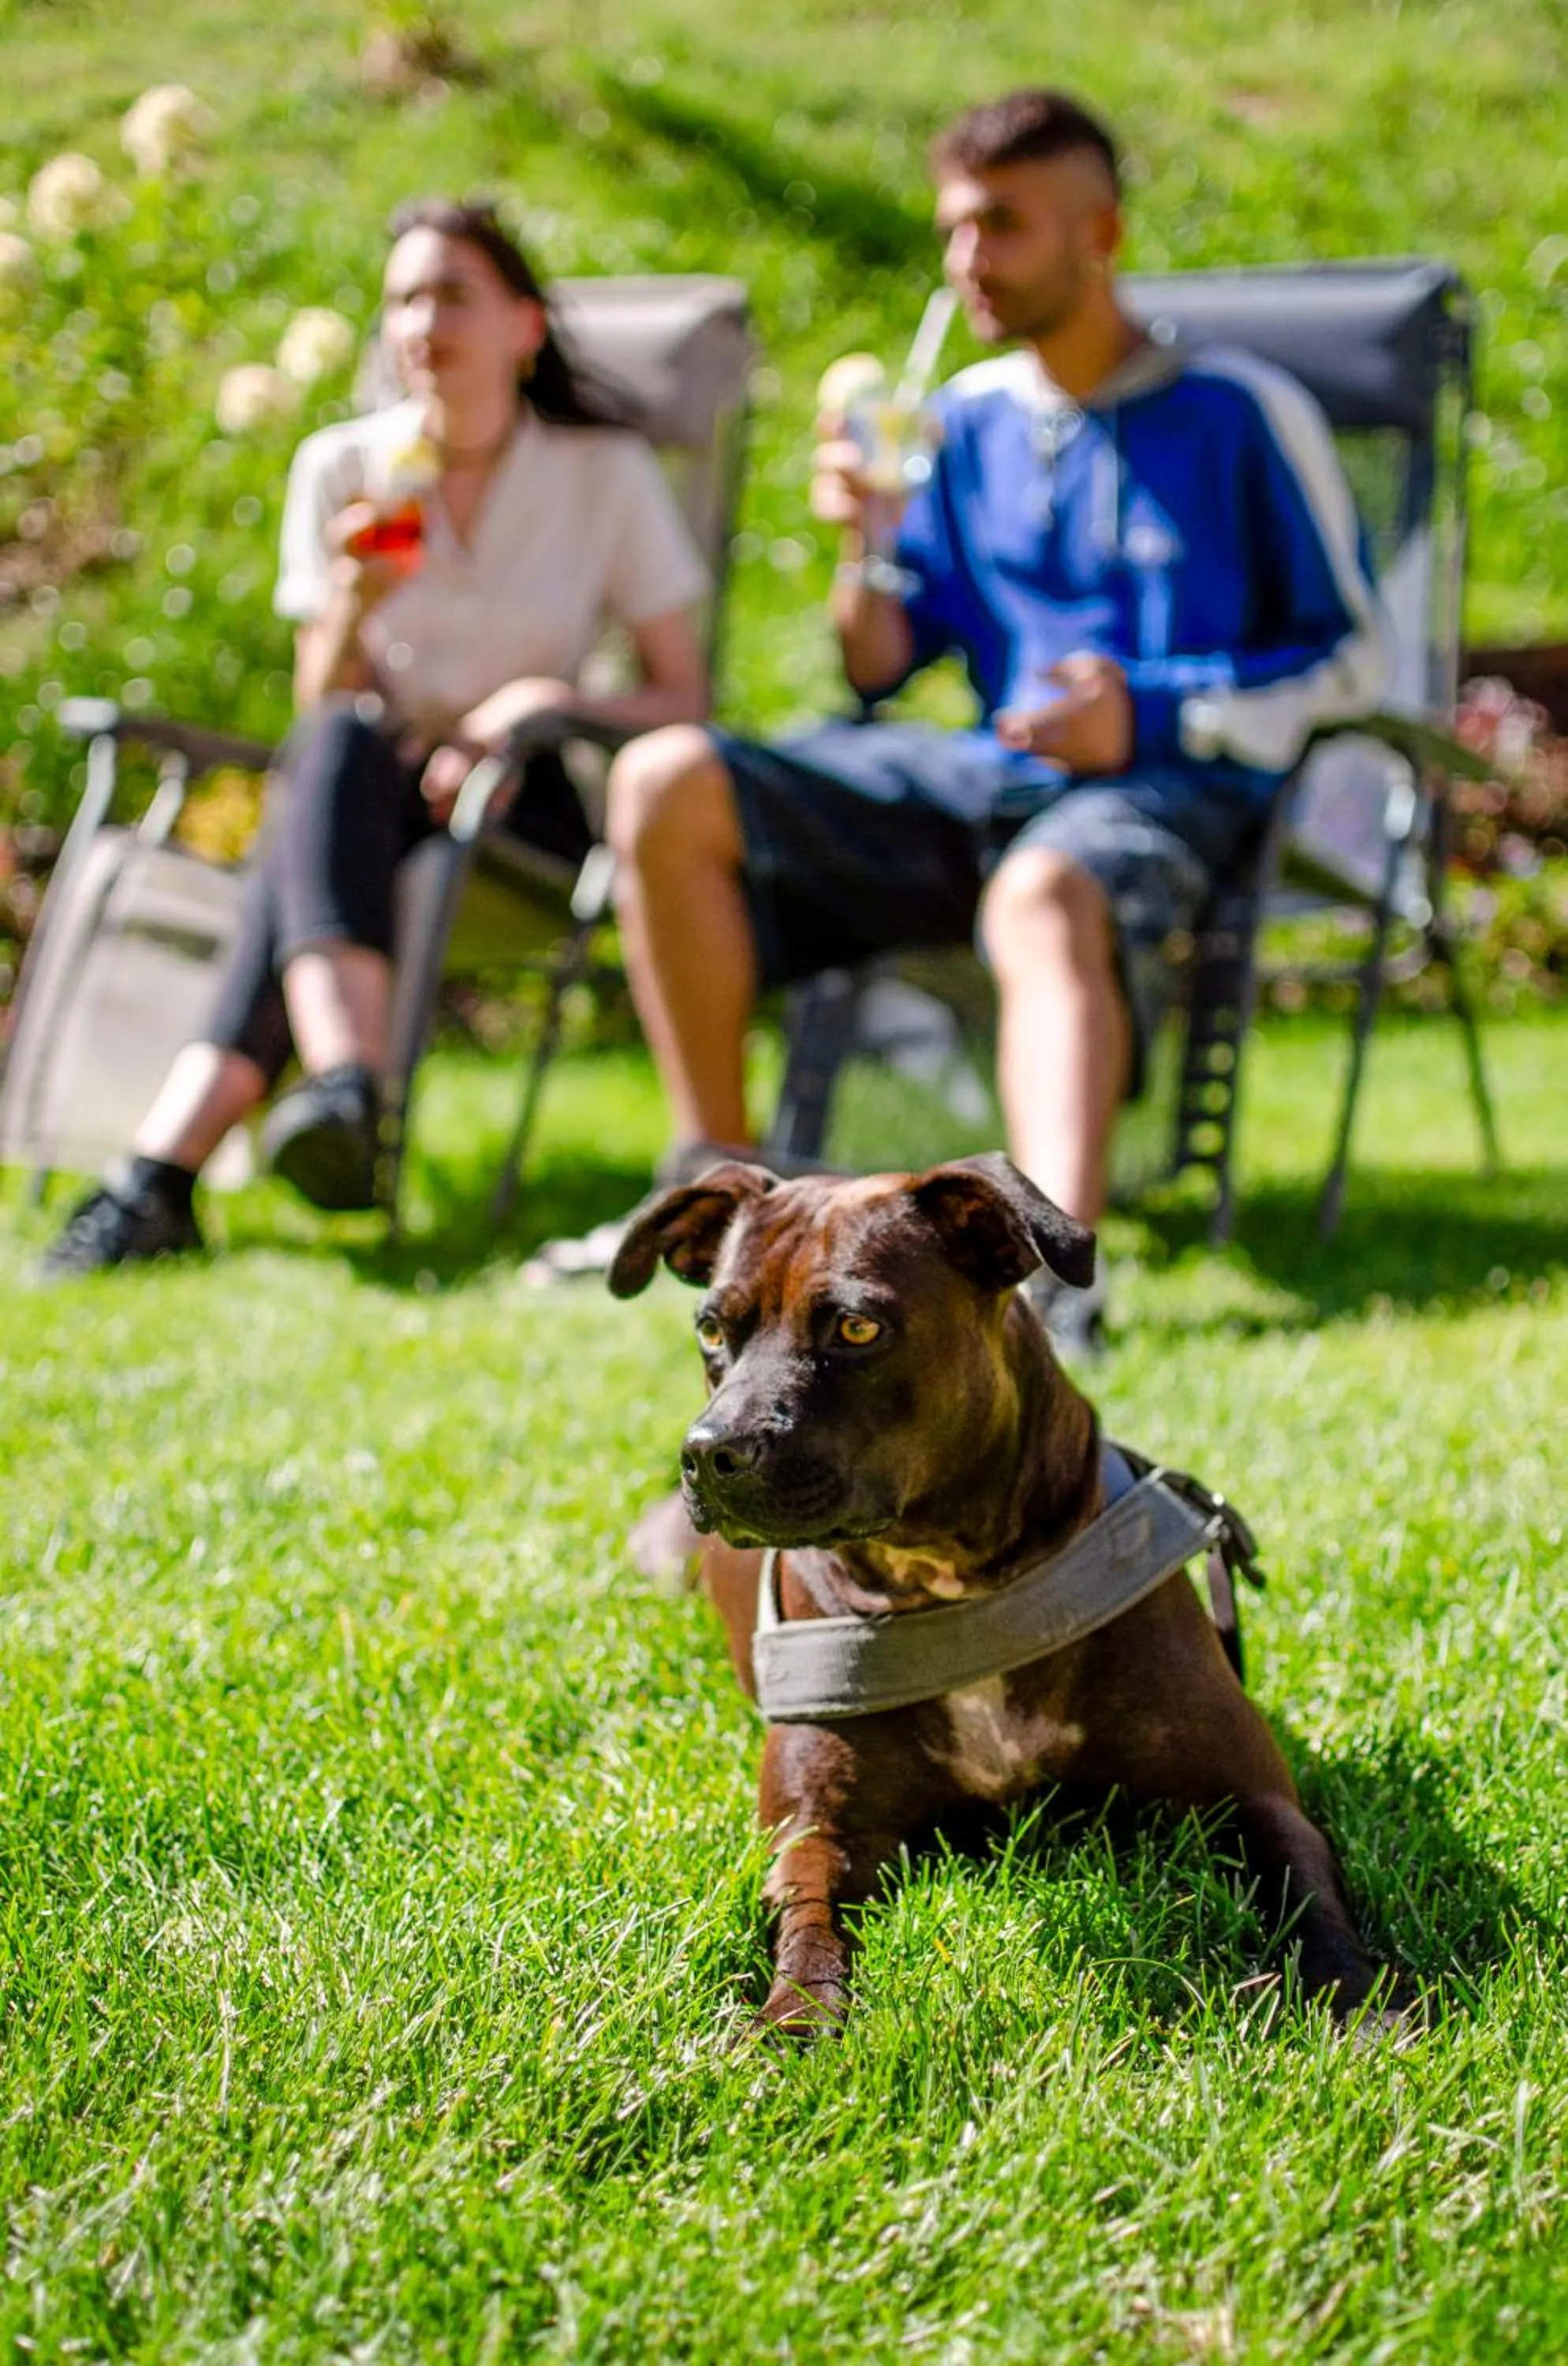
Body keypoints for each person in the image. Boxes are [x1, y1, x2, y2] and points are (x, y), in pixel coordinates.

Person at [604, 88, 1388, 1345]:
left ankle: (1054, 1290)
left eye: (1005, 226)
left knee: (1040, 893)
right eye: (957, 229)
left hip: (1173, 795)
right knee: (661, 778)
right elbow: (879, 664)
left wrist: (1158, 717)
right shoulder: (965, 420)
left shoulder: (1240, 412)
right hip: (986, 773)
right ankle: (721, 1197)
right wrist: (864, 542)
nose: (969, 259)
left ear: (1102, 234)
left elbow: (1358, 660)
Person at [44, 197, 711, 1274]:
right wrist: (357, 598)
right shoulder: (345, 468)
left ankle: (196, 1159)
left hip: (523, 806)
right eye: (402, 298)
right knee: (341, 744)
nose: (420, 322)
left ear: (525, 328)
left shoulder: (603, 475)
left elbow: (683, 697)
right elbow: (328, 693)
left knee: (303, 834)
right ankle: (289, 1118)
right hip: (371, 789)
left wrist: (527, 708)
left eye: (452, 293)